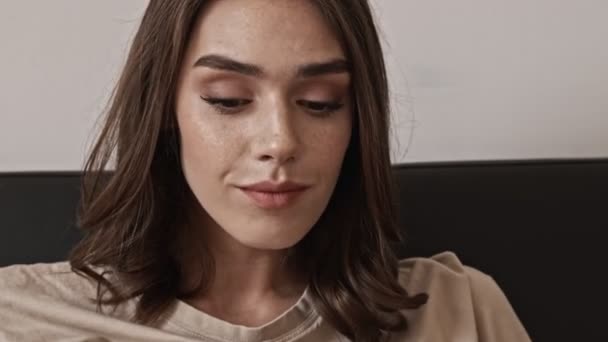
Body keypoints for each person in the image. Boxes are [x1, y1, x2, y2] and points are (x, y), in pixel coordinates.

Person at [0, 0, 531, 341]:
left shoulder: (458, 310)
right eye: (229, 100)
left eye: (320, 102)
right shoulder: (23, 319)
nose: (280, 142)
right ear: (165, 110)